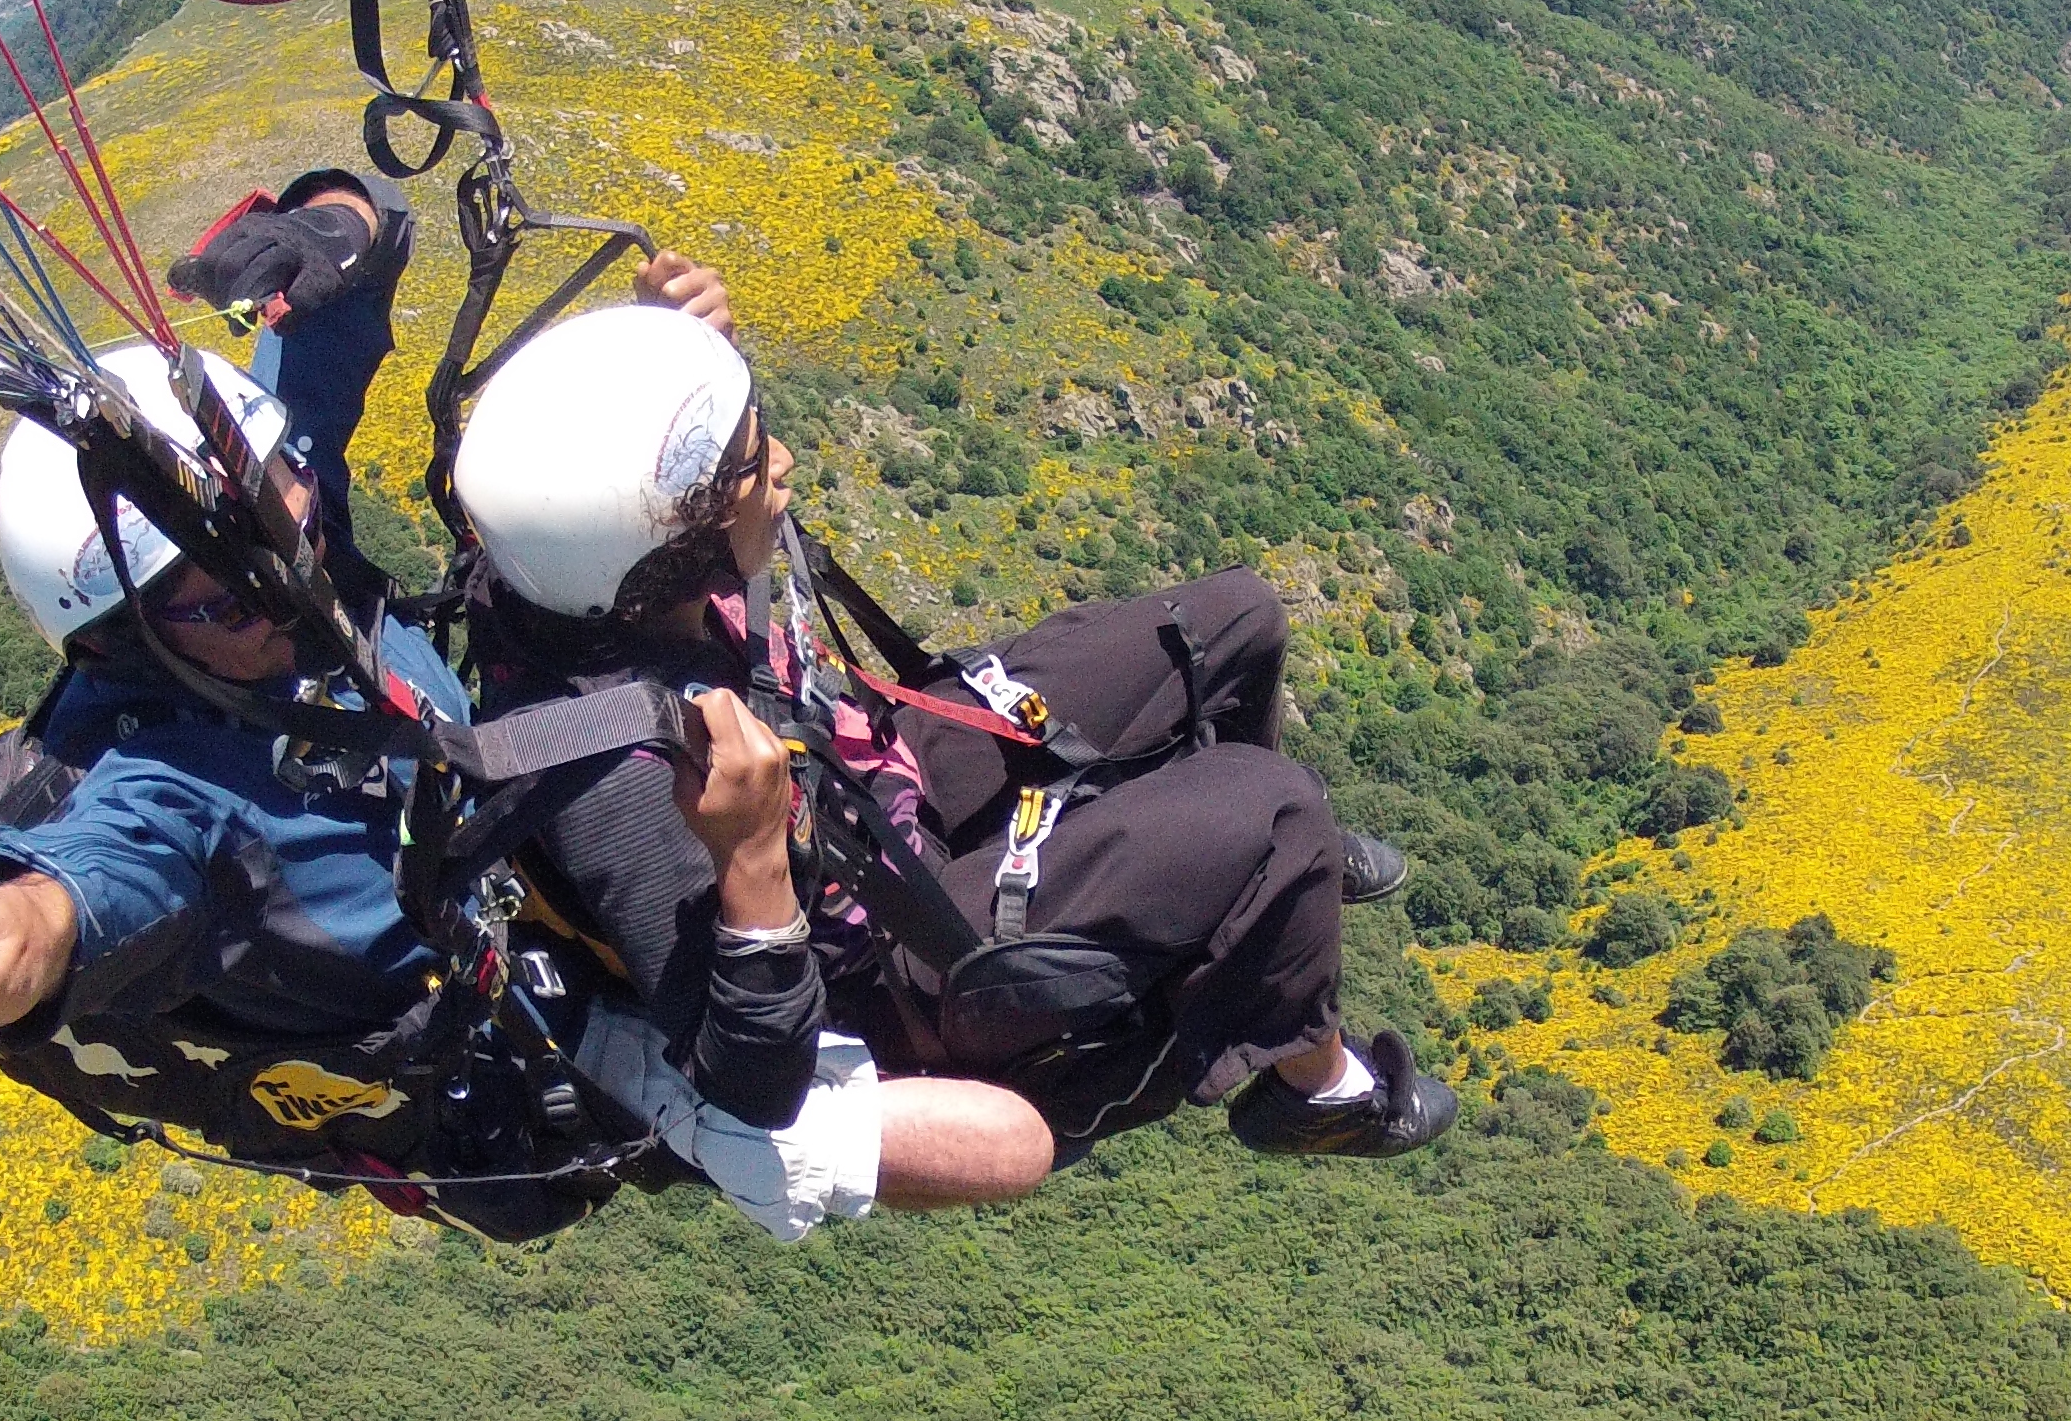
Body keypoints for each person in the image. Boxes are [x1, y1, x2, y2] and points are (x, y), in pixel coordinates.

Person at [0, 286, 1052, 1243]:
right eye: (222, 597)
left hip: (497, 844)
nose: (286, 567)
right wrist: (11, 922)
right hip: (520, 1028)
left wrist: (330, 226)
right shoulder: (178, 791)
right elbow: (92, 883)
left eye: (287, 508)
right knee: (960, 1144)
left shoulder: (266, 528)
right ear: (127, 643)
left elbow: (336, 311)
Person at [448, 305, 1458, 1166]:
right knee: (1278, 812)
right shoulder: (622, 782)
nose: (786, 464)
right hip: (897, 956)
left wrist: (678, 352)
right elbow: (750, 1084)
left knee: (1237, 620)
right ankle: (1313, 1086)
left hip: (869, 774)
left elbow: (587, 467)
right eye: (757, 463)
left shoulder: (570, 574)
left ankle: (1266, 885)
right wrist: (753, 862)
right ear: (669, 550)